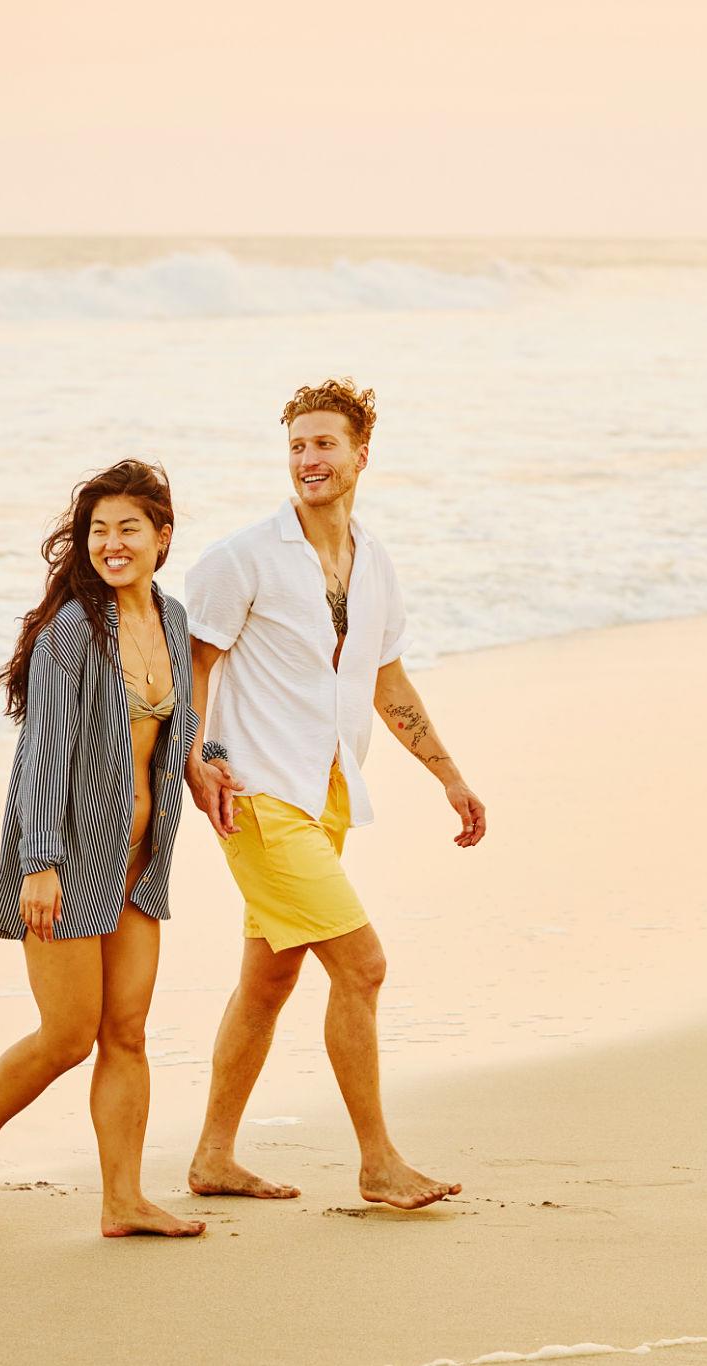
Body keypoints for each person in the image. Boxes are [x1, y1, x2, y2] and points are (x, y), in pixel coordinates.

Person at [182, 379, 486, 1210]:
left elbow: (386, 679)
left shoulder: (375, 562)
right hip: (255, 796)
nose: (308, 460)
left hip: (328, 796)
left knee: (268, 982)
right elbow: (192, 669)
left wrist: (449, 775)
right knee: (364, 966)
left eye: (324, 445)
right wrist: (200, 760)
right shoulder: (243, 557)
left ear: (360, 455)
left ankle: (212, 1157)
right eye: (297, 446)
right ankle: (378, 1162)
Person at [0, 460, 205, 1238]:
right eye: (99, 531)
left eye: (129, 529)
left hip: (138, 861)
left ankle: (122, 1200)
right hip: (64, 861)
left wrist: (207, 757)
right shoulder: (71, 632)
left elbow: (175, 724)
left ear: (162, 537)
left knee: (127, 1033)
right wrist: (40, 863)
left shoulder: (175, 618)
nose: (112, 544)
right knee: (67, 1036)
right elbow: (45, 753)